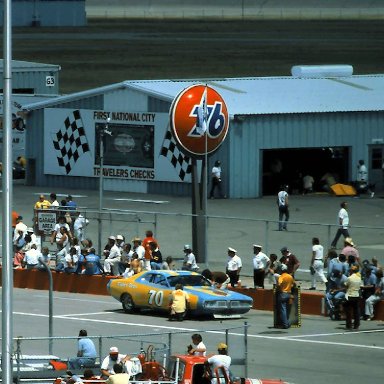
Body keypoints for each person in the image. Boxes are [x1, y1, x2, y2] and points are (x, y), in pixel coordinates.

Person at [343, 265, 362, 330]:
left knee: (348, 311)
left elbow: (346, 285)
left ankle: (349, 325)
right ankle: (356, 325)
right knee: (356, 311)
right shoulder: (359, 278)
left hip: (350, 295)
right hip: (356, 295)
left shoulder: (349, 278)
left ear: (351, 271)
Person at [276, 264, 295, 329]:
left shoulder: (281, 277)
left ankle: (285, 324)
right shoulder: (290, 276)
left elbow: (278, 285)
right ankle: (288, 322)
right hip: (289, 294)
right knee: (287, 310)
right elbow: (293, 284)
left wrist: (279, 290)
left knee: (283, 310)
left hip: (283, 294)